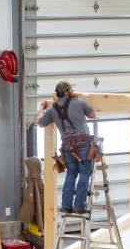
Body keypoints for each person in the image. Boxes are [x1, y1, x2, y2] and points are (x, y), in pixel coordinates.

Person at [37, 80, 97, 214]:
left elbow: (40, 123)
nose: (73, 91)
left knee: (71, 173)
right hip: (83, 143)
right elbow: (92, 115)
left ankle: (66, 206)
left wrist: (42, 107)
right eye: (71, 89)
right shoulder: (79, 102)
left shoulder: (52, 109)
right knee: (84, 172)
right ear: (66, 91)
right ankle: (79, 206)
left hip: (67, 147)